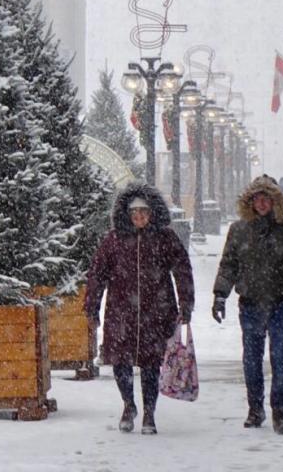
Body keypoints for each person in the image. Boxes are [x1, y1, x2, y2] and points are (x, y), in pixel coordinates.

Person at [85, 183, 194, 435]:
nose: (139, 217)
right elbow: (97, 274)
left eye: (143, 212)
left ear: (152, 213)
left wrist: (186, 303)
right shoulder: (113, 240)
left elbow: (182, 270)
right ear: (126, 214)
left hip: (156, 312)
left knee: (150, 364)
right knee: (120, 362)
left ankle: (149, 413)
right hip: (121, 312)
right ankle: (128, 404)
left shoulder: (165, 238)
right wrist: (92, 306)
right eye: (134, 213)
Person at [212, 174, 283, 435]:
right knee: (251, 360)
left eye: (266, 198)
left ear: (275, 201)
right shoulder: (239, 230)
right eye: (257, 198)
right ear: (250, 202)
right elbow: (229, 264)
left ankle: (280, 412)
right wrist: (220, 294)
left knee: (281, 360)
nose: (262, 203)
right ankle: (255, 409)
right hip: (251, 303)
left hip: (282, 303)